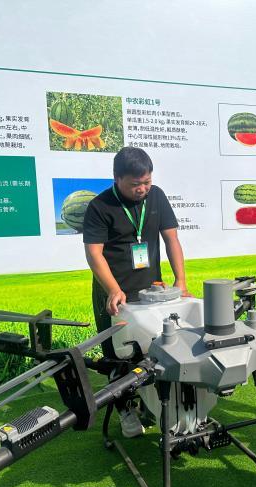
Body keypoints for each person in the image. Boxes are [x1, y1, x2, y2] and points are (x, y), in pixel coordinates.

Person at [82, 146, 189, 437]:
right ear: (117, 179)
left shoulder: (157, 196)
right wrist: (113, 289)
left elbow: (171, 239)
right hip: (114, 294)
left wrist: (180, 280)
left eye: (147, 182)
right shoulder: (100, 206)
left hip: (151, 292)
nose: (142, 189)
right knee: (118, 357)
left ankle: (149, 405)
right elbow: (94, 254)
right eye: (135, 184)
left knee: (154, 352)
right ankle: (125, 409)